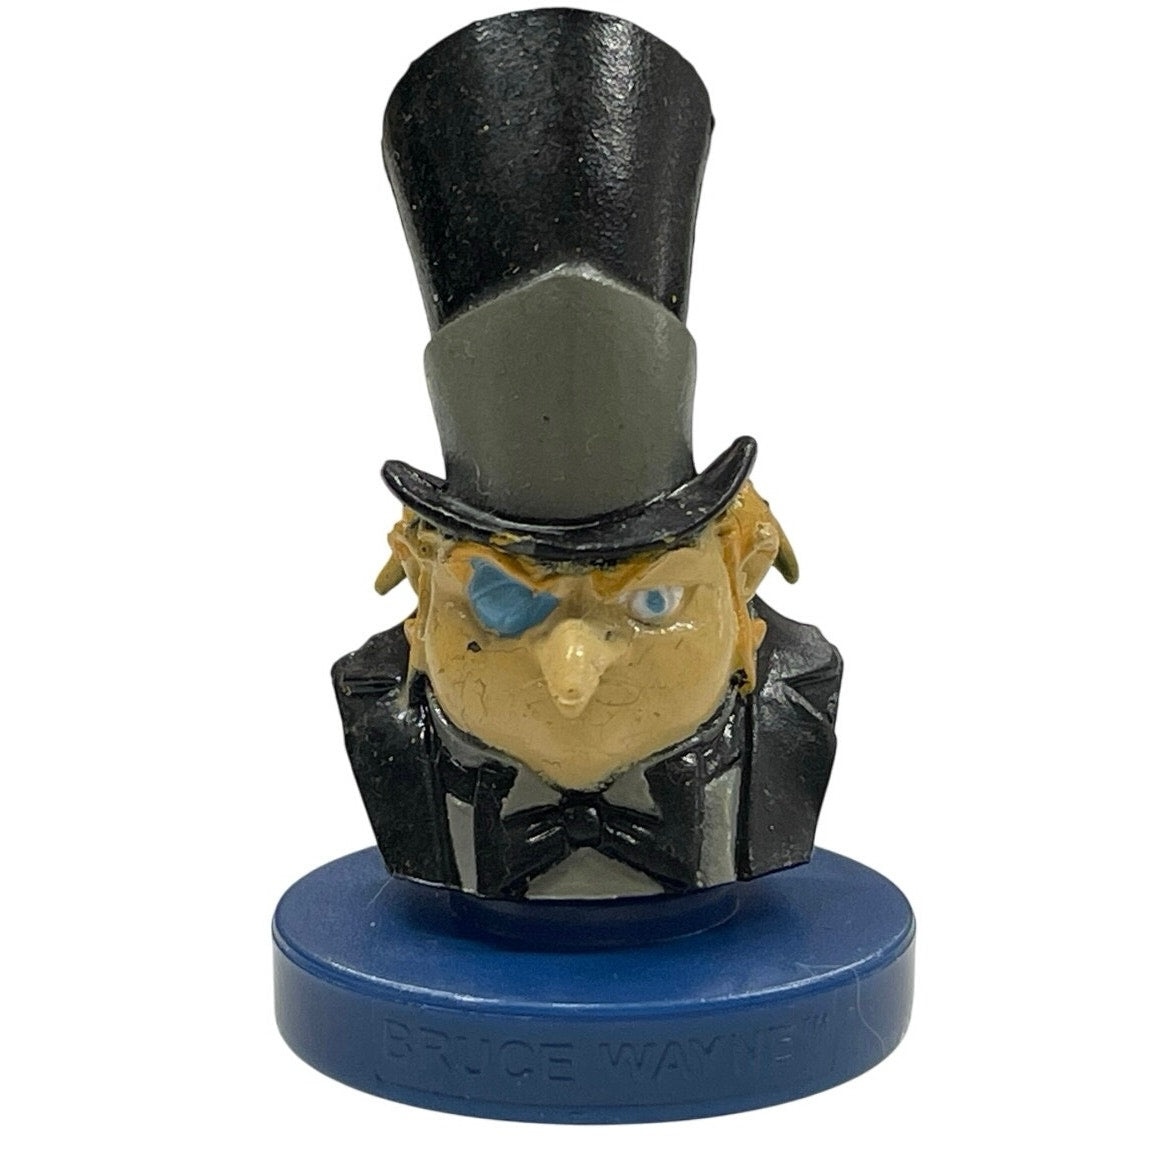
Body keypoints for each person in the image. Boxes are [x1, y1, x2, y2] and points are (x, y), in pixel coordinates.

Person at [332, 9, 841, 900]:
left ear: (741, 574)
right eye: (501, 602)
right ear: (416, 582)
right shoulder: (384, 714)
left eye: (652, 600)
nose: (572, 676)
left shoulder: (791, 704)